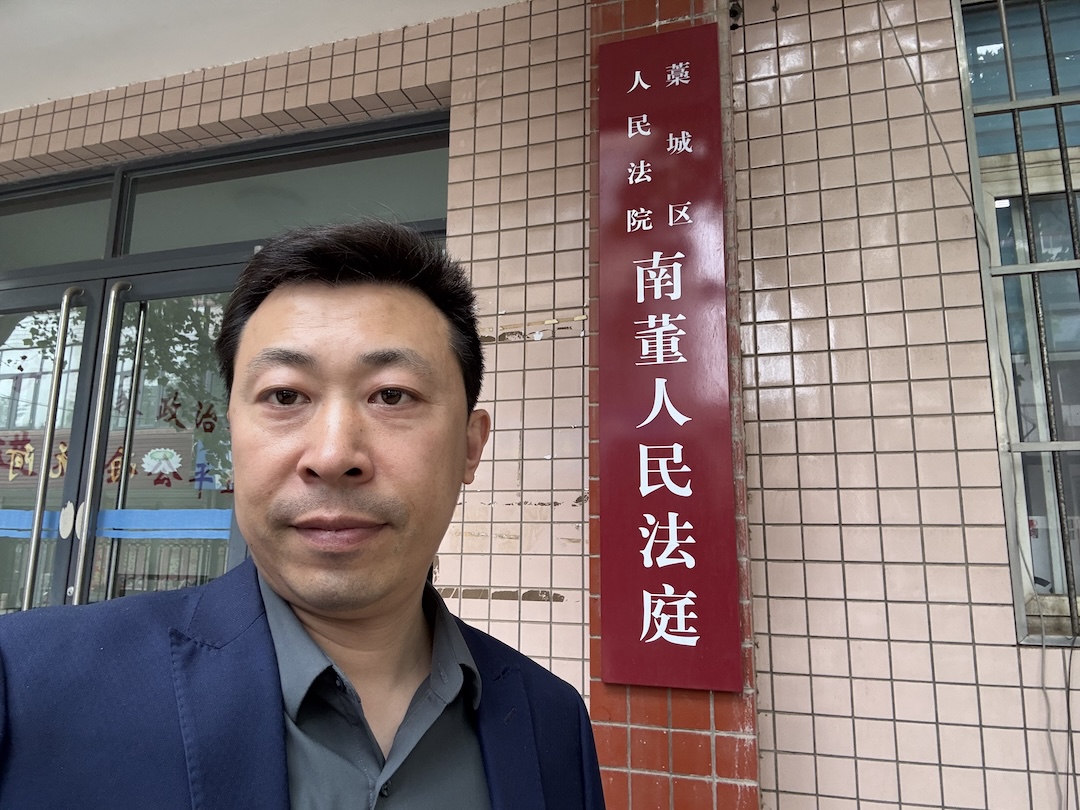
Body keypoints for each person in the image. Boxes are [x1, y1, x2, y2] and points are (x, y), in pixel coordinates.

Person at [0, 221, 605, 809]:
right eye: (285, 396)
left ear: (470, 447)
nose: (334, 455)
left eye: (392, 395)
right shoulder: (25, 686)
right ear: (232, 438)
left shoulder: (551, 723)